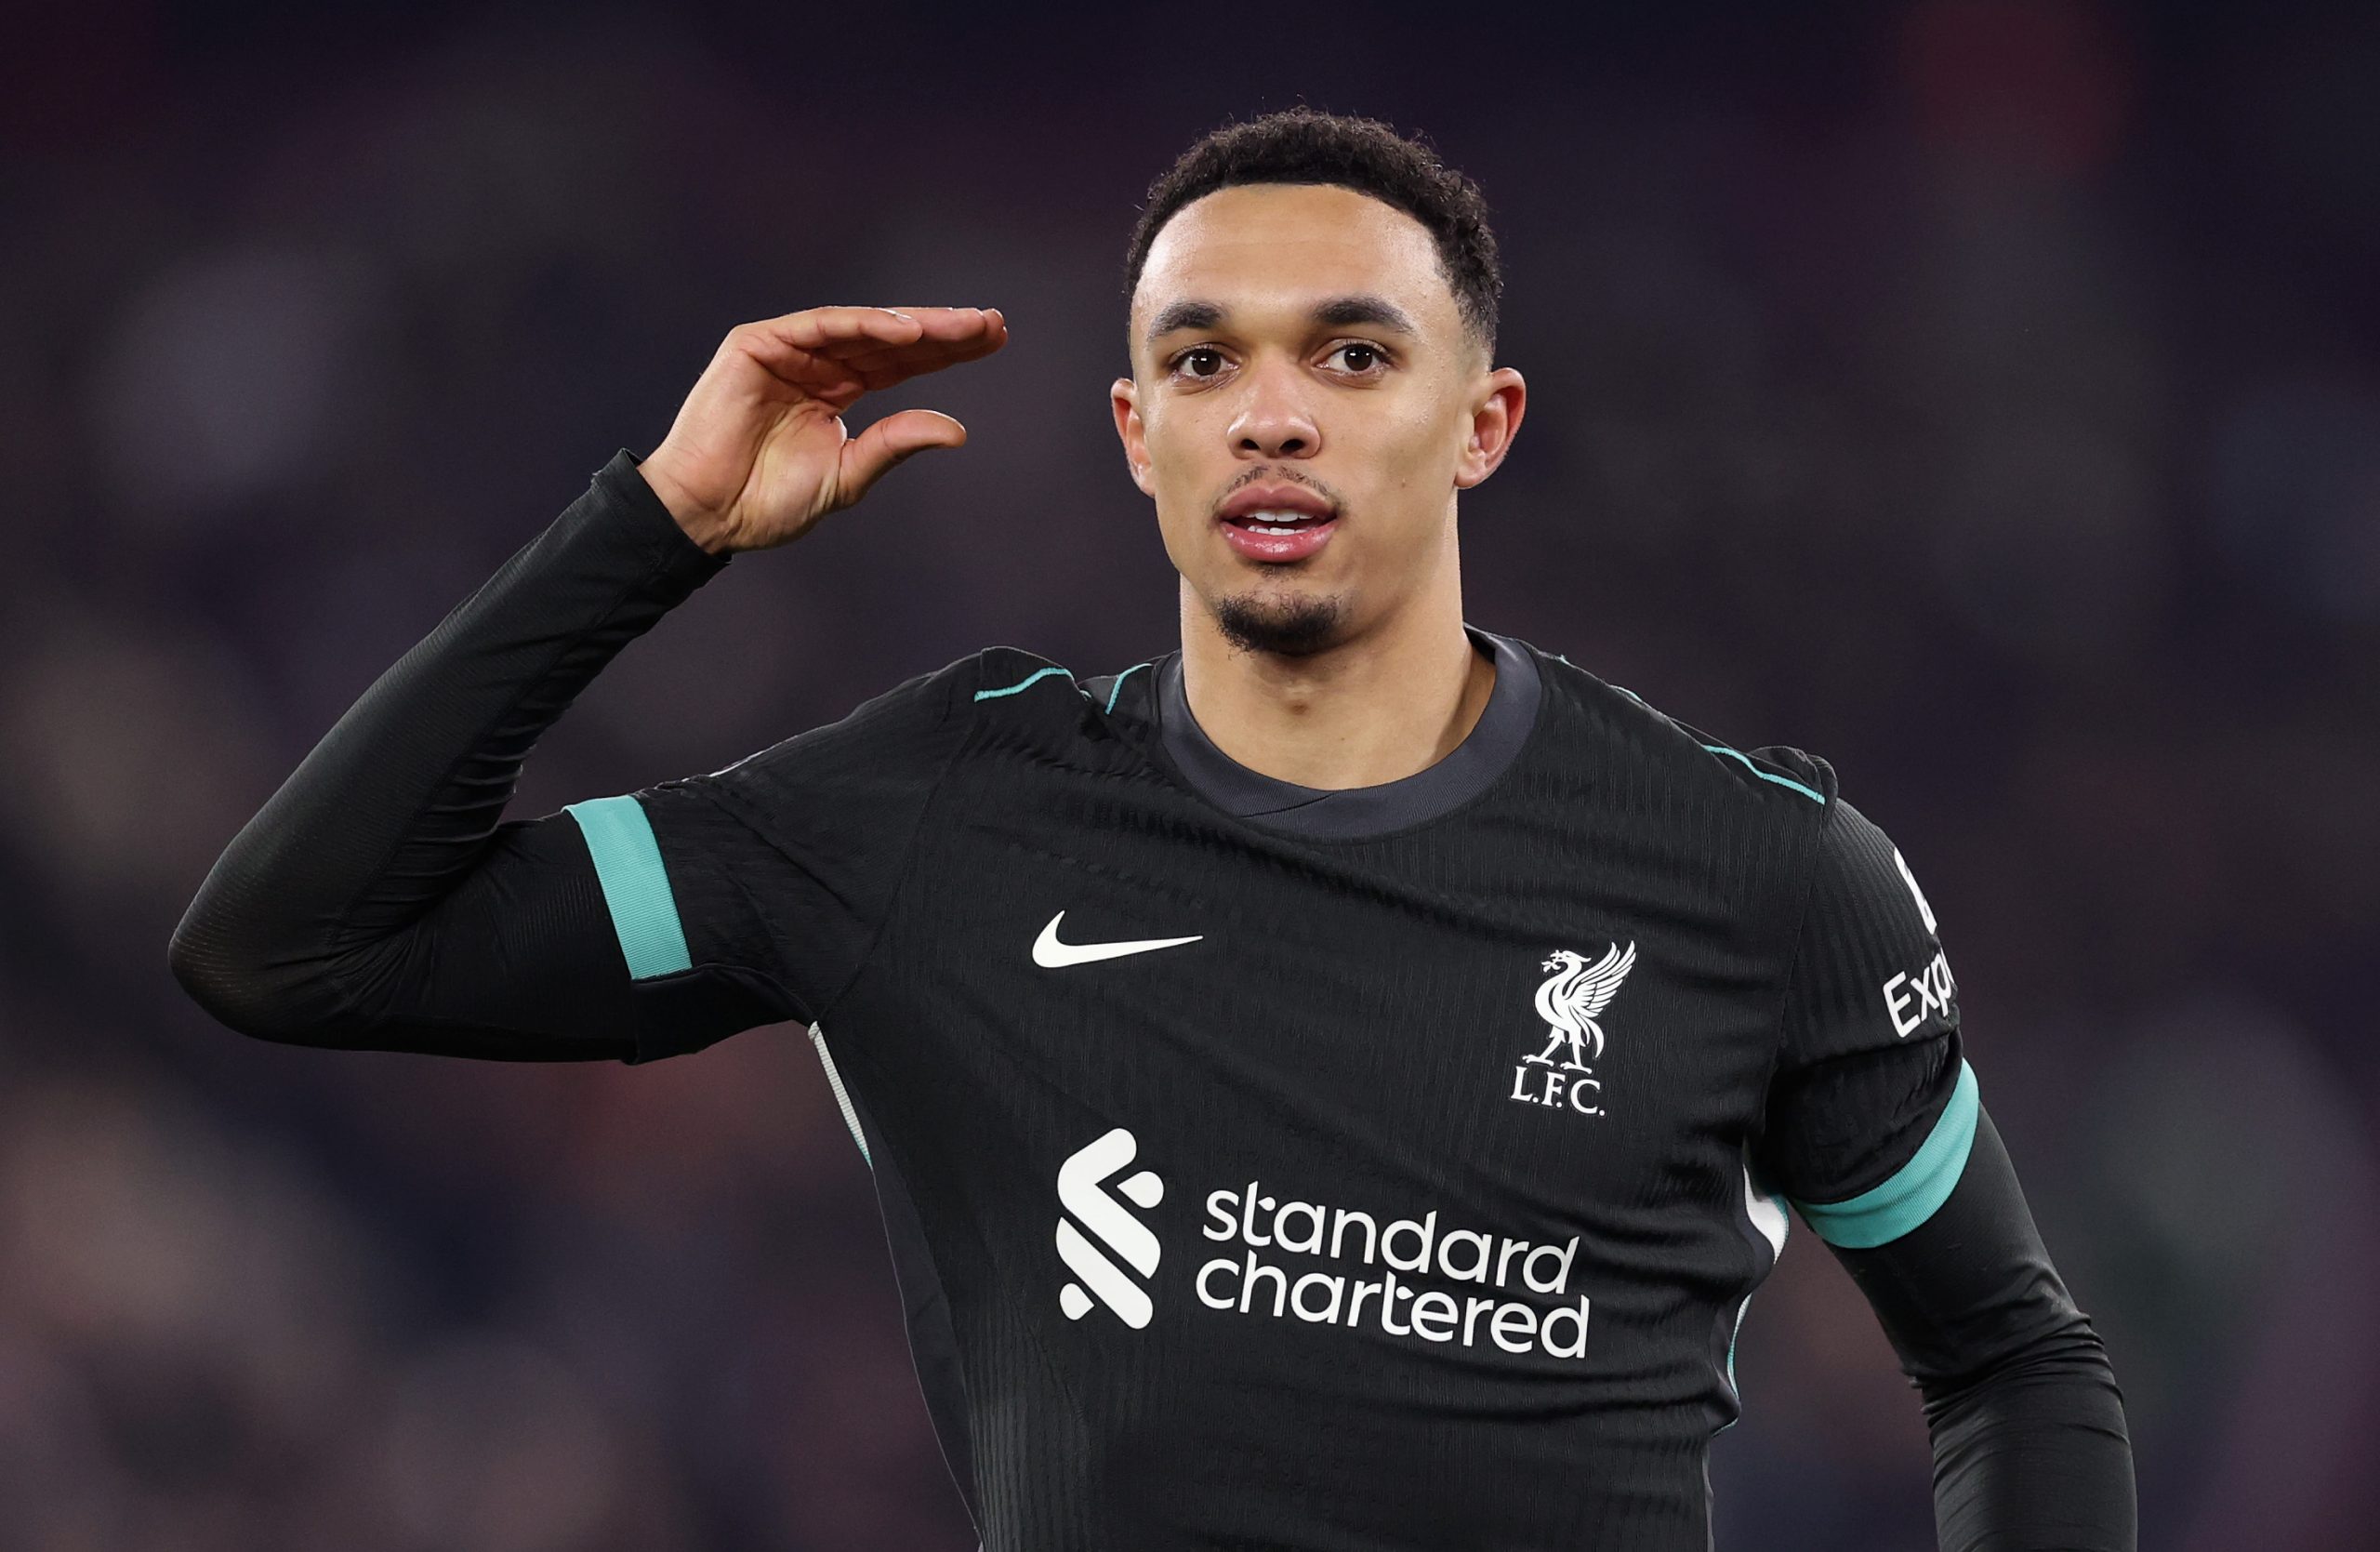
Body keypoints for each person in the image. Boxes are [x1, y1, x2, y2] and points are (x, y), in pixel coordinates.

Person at [170, 109, 2135, 1550]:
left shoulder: (1755, 874)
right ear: (1135, 432)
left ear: (1483, 421)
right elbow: (298, 942)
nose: (1268, 414)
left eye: (1349, 353)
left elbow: (2008, 1361)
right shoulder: (939, 810)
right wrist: (651, 529)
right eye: (1203, 358)